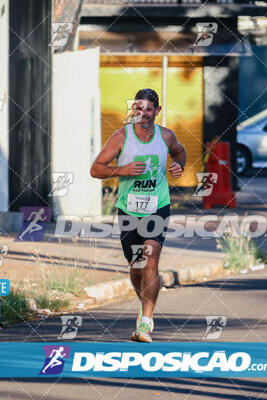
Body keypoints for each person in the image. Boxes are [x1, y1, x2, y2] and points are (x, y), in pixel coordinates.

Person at [90, 88, 187, 343]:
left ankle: (146, 322)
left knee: (151, 258)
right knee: (136, 267)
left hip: (158, 205)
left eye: (147, 109)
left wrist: (179, 165)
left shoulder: (165, 136)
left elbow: (180, 152)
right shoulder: (121, 137)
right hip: (129, 208)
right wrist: (121, 170)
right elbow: (95, 169)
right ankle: (144, 303)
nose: (142, 113)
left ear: (157, 111)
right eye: (138, 108)